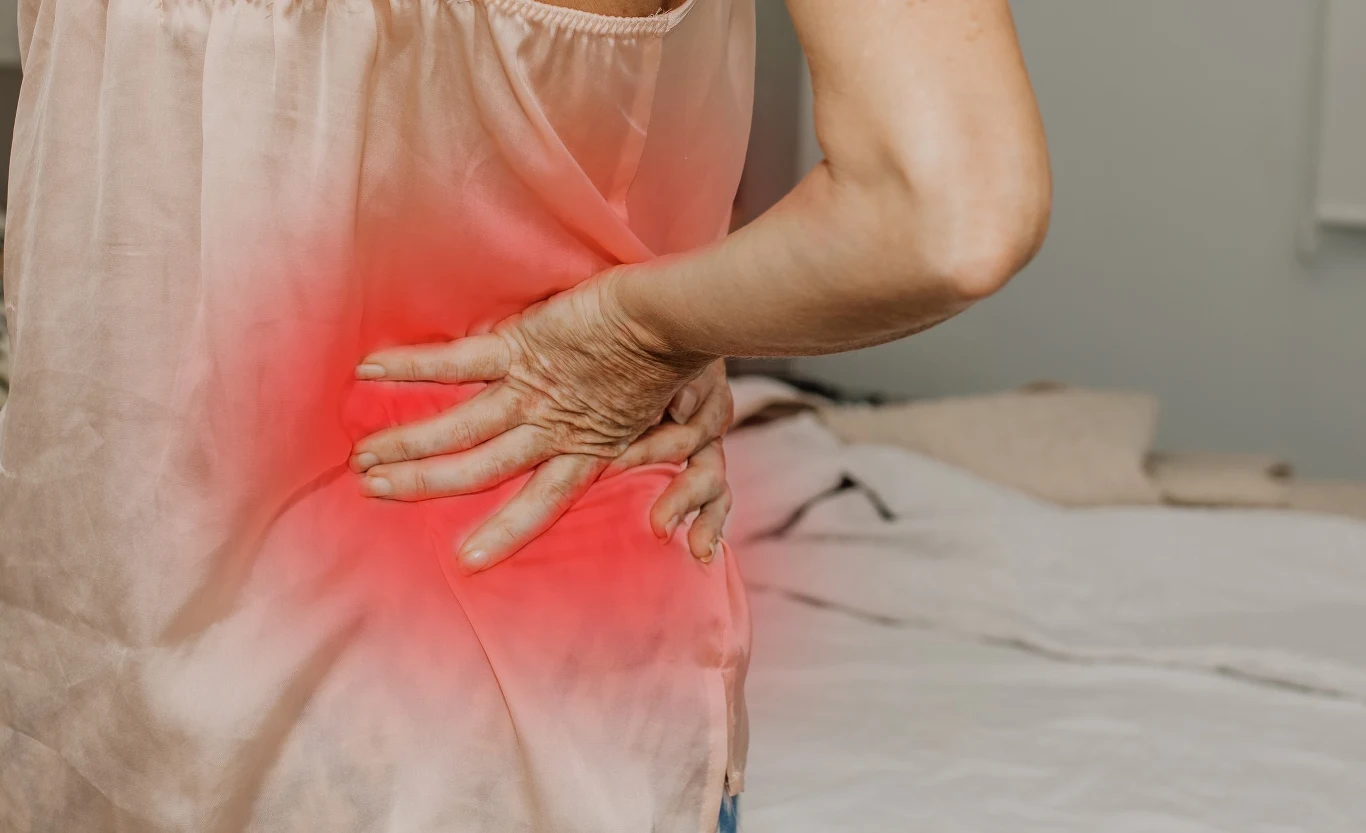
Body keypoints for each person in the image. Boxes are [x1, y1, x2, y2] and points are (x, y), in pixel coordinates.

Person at [0, 0, 1048, 831]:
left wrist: (646, 328)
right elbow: (943, 205)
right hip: (113, 679)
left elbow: (949, 212)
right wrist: (657, 320)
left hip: (200, 674)